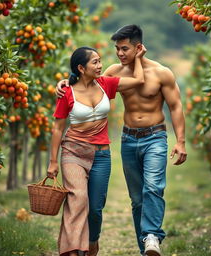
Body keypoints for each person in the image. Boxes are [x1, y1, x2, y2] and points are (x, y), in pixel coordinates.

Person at [56, 24, 187, 256]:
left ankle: (152, 236)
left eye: (124, 49)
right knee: (137, 200)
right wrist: (66, 83)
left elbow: (175, 107)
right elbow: (85, 83)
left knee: (153, 188)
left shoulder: (161, 73)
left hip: (155, 136)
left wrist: (181, 141)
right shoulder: (114, 72)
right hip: (128, 139)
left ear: (139, 48)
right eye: (117, 48)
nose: (119, 54)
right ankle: (145, 247)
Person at [48, 45, 146, 256]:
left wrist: (138, 57)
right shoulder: (67, 92)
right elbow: (57, 127)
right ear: (81, 68)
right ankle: (72, 250)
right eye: (95, 62)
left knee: (95, 209)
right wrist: (53, 162)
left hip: (101, 154)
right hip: (73, 152)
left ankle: (92, 242)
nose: (101, 66)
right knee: (78, 199)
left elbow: (138, 80)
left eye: (101, 61)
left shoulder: (105, 85)